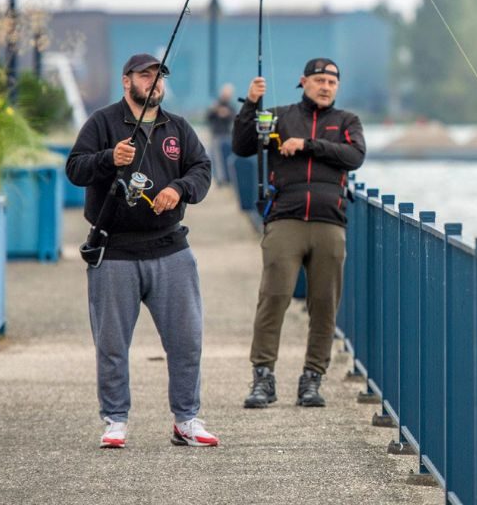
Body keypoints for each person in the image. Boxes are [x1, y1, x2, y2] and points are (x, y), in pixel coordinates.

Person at [65, 53, 218, 449]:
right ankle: (115, 420)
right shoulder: (102, 123)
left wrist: (179, 188)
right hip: (114, 250)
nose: (153, 82)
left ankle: (186, 420)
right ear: (126, 81)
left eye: (158, 76)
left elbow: (202, 169)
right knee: (112, 344)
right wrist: (107, 158)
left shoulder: (178, 128)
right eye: (144, 75)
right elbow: (75, 168)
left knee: (187, 340)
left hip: (171, 248)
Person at [232, 57, 365, 409]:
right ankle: (263, 377)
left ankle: (312, 379)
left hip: (330, 222)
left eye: (332, 82)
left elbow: (355, 156)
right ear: (303, 82)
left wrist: (306, 144)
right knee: (273, 296)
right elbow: (242, 145)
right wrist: (251, 104)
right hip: (285, 218)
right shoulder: (278, 115)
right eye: (319, 80)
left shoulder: (346, 121)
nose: (325, 87)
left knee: (324, 305)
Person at [206, 83, 236, 185]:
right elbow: (208, 117)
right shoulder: (215, 105)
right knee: (217, 158)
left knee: (227, 157)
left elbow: (234, 117)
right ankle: (220, 179)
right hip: (216, 135)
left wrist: (227, 113)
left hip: (227, 135)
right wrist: (216, 110)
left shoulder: (231, 106)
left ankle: (228, 178)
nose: (226, 95)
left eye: (228, 94)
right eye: (225, 93)